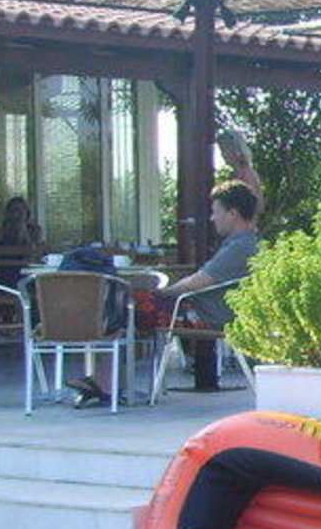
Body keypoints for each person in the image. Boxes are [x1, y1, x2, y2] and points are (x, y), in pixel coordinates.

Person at [71, 183, 261, 407]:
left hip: (208, 316)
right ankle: (105, 381)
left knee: (129, 306)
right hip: (203, 310)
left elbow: (199, 281)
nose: (212, 219)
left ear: (233, 213)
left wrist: (163, 293)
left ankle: (104, 382)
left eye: (215, 212)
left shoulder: (241, 247)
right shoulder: (244, 243)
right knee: (127, 306)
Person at [216, 128, 265, 215]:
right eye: (221, 150)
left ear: (236, 149)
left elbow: (257, 207)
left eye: (225, 149)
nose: (222, 154)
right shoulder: (233, 176)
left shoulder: (247, 174)